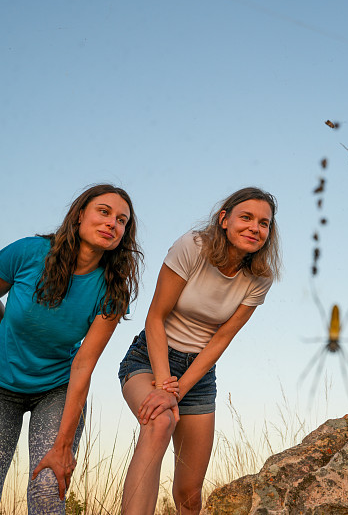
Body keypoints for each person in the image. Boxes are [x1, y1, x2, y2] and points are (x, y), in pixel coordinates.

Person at [0, 184, 142, 514]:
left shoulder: (113, 288)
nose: (113, 223)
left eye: (122, 220)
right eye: (104, 212)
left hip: (57, 390)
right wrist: (11, 341)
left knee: (47, 489)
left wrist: (63, 446)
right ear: (80, 214)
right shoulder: (28, 252)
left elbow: (84, 363)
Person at [118, 187, 281, 515]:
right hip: (152, 357)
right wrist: (165, 388)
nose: (255, 228)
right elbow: (155, 317)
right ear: (224, 219)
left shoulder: (259, 279)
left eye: (264, 223)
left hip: (199, 375)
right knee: (158, 423)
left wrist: (178, 391)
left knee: (190, 495)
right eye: (246, 217)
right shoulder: (192, 247)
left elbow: (220, 340)